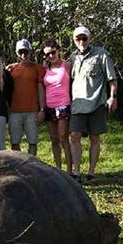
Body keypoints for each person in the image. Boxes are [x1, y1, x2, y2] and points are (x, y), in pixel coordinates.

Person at [69, 26, 118, 183]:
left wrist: (112, 97)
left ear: (90, 38)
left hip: (97, 102)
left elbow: (112, 78)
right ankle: (76, 173)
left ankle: (91, 173)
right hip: (77, 104)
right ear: (74, 40)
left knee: (94, 137)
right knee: (74, 136)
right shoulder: (72, 57)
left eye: (84, 38)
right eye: (78, 39)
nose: (82, 41)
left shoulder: (101, 54)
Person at [6, 39, 46, 156]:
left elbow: (41, 89)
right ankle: (18, 166)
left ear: (30, 52)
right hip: (14, 111)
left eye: (26, 52)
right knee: (14, 142)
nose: (24, 55)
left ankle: (32, 166)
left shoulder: (38, 68)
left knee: (32, 142)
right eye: (21, 52)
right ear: (17, 53)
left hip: (32, 111)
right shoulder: (11, 69)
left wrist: (42, 110)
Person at [41, 40, 72, 174]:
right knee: (54, 139)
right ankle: (58, 169)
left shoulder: (67, 65)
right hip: (49, 107)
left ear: (58, 50)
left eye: (53, 52)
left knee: (62, 137)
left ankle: (70, 169)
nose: (51, 56)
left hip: (63, 105)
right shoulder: (45, 68)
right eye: (47, 54)